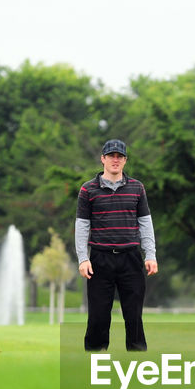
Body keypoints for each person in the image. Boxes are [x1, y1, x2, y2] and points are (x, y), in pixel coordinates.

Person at [75, 139, 157, 351]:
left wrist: (151, 255)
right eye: (111, 156)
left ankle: (137, 359)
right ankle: (94, 360)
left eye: (119, 156)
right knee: (98, 316)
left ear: (125, 161)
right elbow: (82, 227)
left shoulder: (137, 188)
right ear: (102, 159)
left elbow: (145, 224)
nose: (115, 160)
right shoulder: (88, 190)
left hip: (130, 258)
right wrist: (83, 259)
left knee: (134, 315)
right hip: (100, 260)